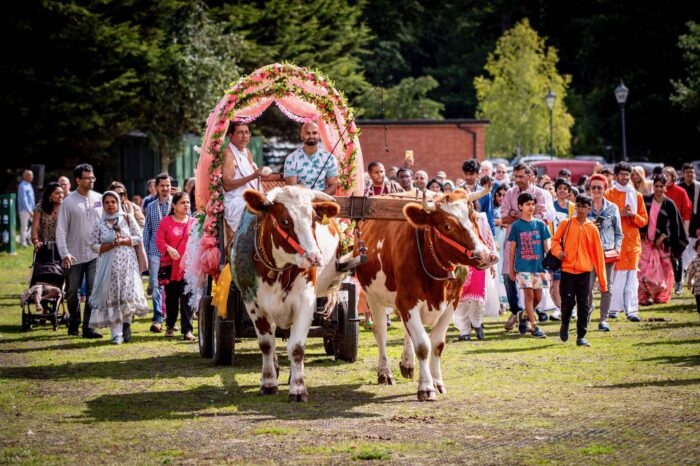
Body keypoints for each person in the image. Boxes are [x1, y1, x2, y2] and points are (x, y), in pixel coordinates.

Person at [88, 191, 149, 344]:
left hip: (127, 267)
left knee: (126, 298)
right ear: (103, 205)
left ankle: (126, 325)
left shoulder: (126, 218)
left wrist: (123, 241)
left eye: (113, 202)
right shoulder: (99, 223)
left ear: (118, 203)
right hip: (108, 270)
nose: (110, 205)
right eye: (107, 202)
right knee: (112, 299)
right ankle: (117, 335)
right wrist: (110, 245)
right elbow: (93, 245)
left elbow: (138, 238)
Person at [551, 194, 607, 347]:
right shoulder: (566, 223)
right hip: (568, 271)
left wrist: (603, 282)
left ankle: (581, 336)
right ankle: (565, 323)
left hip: (584, 273)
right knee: (567, 303)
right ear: (574, 207)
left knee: (584, 305)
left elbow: (598, 256)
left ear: (589, 209)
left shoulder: (592, 229)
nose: (580, 209)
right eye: (578, 206)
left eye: (584, 206)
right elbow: (555, 241)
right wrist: (558, 252)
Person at [55, 163, 103, 338]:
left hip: (95, 254)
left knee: (92, 292)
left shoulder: (99, 198)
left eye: (93, 177)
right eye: (87, 178)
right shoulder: (68, 202)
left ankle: (88, 328)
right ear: (78, 180)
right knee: (72, 292)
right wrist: (64, 253)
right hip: (73, 256)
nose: (91, 180)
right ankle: (73, 323)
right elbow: (60, 230)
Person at [501, 163, 549, 329]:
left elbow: (540, 216)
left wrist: (515, 214)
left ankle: (525, 314)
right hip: (513, 241)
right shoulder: (509, 193)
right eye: (516, 176)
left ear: (530, 176)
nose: (518, 180)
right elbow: (504, 218)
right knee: (508, 277)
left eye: (521, 176)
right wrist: (521, 216)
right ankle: (516, 312)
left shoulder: (540, 193)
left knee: (536, 290)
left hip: (534, 246)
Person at [605, 162, 648, 322]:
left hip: (633, 243)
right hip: (614, 242)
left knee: (631, 277)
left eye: (627, 174)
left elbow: (644, 221)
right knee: (615, 276)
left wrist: (633, 216)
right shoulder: (609, 194)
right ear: (615, 176)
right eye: (621, 174)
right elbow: (602, 219)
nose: (624, 177)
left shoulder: (637, 195)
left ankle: (631, 310)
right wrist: (620, 214)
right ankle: (613, 308)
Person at [638, 175, 688, 305]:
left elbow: (674, 226)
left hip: (663, 245)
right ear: (653, 186)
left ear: (665, 188)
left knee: (662, 273)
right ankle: (647, 296)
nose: (659, 189)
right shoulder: (646, 200)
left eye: (661, 186)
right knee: (644, 271)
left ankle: (658, 296)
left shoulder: (670, 204)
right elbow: (640, 218)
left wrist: (663, 236)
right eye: (656, 186)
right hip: (646, 243)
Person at [507, 192, 550, 338]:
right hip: (523, 267)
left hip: (539, 266)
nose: (531, 207)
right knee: (529, 294)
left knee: (538, 296)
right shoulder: (516, 226)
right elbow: (512, 249)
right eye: (527, 204)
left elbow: (546, 247)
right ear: (520, 206)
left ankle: (523, 314)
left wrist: (550, 265)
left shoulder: (540, 224)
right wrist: (511, 268)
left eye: (532, 204)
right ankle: (534, 326)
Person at [156, 192, 196, 340]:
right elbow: (159, 240)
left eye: (188, 202)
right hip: (171, 266)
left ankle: (187, 330)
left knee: (187, 297)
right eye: (182, 202)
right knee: (171, 299)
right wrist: (168, 248)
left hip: (188, 267)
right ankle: (170, 325)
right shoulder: (165, 222)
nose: (186, 205)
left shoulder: (194, 222)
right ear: (174, 206)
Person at [587, 174, 623, 332]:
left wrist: (617, 248)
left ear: (605, 189)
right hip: (588, 253)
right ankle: (587, 311)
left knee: (606, 287)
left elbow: (618, 233)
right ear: (589, 188)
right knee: (586, 287)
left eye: (599, 187)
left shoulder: (612, 208)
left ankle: (603, 319)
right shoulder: (583, 206)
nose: (596, 190)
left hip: (607, 252)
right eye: (593, 187)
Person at [455, 211, 498, 341]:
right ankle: (464, 331)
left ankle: (477, 324)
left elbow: (489, 239)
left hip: (478, 260)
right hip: (459, 260)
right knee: (459, 297)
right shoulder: (453, 216)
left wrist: (492, 262)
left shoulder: (480, 218)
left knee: (477, 297)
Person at [143, 173, 172, 333]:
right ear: (156, 187)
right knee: (156, 285)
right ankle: (158, 318)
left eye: (168, 185)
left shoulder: (176, 204)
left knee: (172, 286)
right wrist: (146, 252)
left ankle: (171, 318)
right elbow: (147, 231)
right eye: (162, 185)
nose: (165, 188)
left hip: (174, 252)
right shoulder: (151, 206)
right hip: (155, 252)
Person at [223, 122, 264, 232]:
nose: (245, 136)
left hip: (251, 196)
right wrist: (253, 176)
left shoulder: (247, 152)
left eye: (247, 132)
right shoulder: (229, 154)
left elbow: (254, 177)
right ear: (231, 136)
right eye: (240, 132)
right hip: (236, 201)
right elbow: (227, 186)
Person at [284, 121, 338, 194]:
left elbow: (333, 186)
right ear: (301, 136)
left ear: (319, 135)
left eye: (314, 133)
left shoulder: (330, 158)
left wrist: (319, 198)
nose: (311, 136)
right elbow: (292, 189)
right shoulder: (291, 159)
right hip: (299, 201)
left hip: (322, 201)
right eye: (307, 133)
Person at [548, 178, 575, 320]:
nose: (562, 191)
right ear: (556, 190)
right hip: (556, 247)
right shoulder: (550, 206)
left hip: (571, 248)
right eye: (560, 188)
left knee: (571, 279)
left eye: (565, 188)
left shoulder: (573, 208)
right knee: (557, 279)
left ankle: (571, 307)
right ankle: (559, 308)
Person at [662, 166, 692, 294]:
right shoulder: (659, 191)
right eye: (663, 175)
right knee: (661, 257)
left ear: (673, 177)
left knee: (676, 256)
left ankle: (678, 282)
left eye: (667, 175)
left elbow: (687, 211)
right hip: (662, 229)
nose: (664, 177)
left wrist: (684, 230)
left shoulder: (680, 191)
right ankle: (664, 285)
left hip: (676, 229)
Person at [31, 182, 64, 259]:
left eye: (62, 193)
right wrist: (36, 241)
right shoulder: (40, 207)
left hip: (63, 247)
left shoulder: (66, 207)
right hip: (45, 247)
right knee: (46, 270)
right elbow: (34, 228)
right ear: (49, 196)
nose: (61, 195)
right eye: (57, 193)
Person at [679, 163, 700, 283]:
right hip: (682, 224)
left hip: (695, 224)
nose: (690, 174)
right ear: (683, 173)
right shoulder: (679, 187)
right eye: (688, 172)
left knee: (693, 249)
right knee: (683, 250)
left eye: (692, 172)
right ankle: (685, 274)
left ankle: (690, 274)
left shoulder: (698, 187)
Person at [17, 169, 35, 247]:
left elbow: (31, 198)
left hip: (31, 209)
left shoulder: (29, 184)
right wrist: (29, 210)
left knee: (35, 224)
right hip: (25, 210)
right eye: (31, 175)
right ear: (26, 176)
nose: (33, 177)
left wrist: (33, 209)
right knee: (24, 226)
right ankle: (23, 242)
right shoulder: (22, 185)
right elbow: (23, 199)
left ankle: (27, 238)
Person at [685, 240, 700, 321]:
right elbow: (691, 272)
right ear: (696, 250)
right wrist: (689, 282)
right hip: (698, 287)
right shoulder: (694, 261)